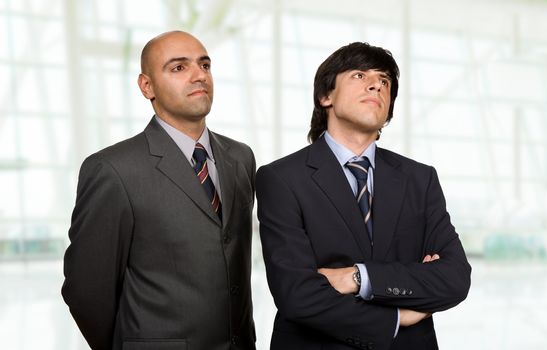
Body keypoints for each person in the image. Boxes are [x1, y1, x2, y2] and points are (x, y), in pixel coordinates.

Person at [256, 42, 471, 350]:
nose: (376, 85)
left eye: (385, 81)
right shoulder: (281, 178)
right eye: (359, 75)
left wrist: (358, 277)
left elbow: (454, 277)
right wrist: (397, 317)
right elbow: (297, 294)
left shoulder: (419, 179)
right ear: (325, 96)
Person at [62, 31, 256, 350]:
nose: (198, 76)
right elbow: (86, 290)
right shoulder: (113, 169)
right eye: (178, 68)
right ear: (147, 86)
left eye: (204, 65)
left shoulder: (240, 157)